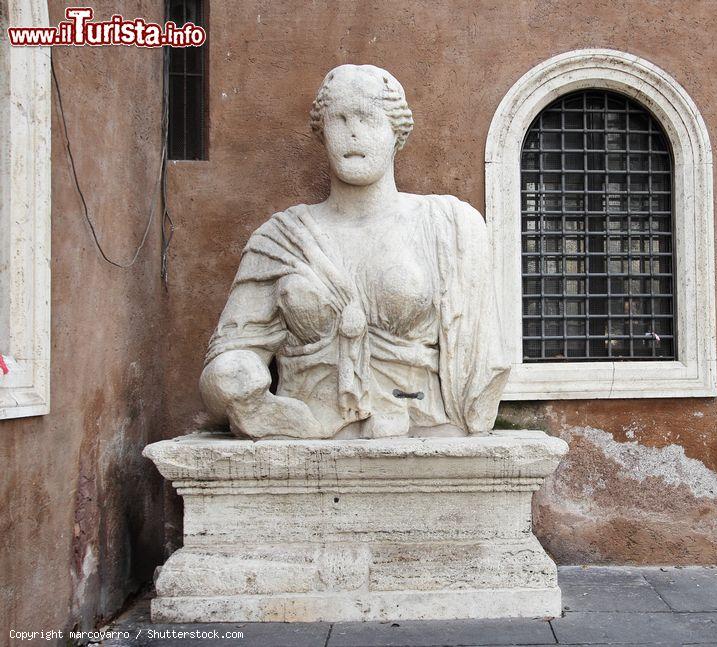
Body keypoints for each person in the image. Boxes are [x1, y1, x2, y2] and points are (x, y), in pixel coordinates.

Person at [199, 64, 509, 439]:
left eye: (367, 118)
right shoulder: (279, 240)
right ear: (321, 132)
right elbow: (229, 358)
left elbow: (482, 373)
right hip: (303, 430)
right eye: (339, 119)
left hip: (425, 428)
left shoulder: (449, 227)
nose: (353, 133)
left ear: (397, 132)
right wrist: (233, 378)